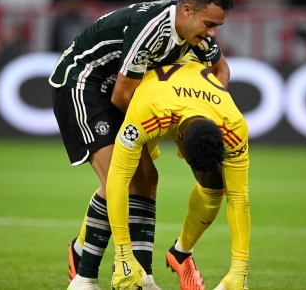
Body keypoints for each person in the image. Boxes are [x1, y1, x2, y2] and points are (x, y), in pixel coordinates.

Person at [49, 0, 234, 289]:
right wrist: (153, 127)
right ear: (186, 10)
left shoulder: (198, 33)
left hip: (124, 88)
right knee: (117, 177)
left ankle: (142, 277)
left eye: (217, 26)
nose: (212, 33)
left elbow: (221, 69)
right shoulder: (151, 29)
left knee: (146, 177)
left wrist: (207, 111)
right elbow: (121, 96)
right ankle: (84, 278)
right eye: (209, 24)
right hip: (84, 83)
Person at [107, 53, 250, 290]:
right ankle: (81, 250)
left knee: (216, 188)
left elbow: (239, 197)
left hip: (193, 102)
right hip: (150, 96)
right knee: (133, 178)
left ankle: (181, 252)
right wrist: (123, 254)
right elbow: (116, 179)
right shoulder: (147, 111)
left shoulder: (233, 125)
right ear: (179, 140)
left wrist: (240, 271)